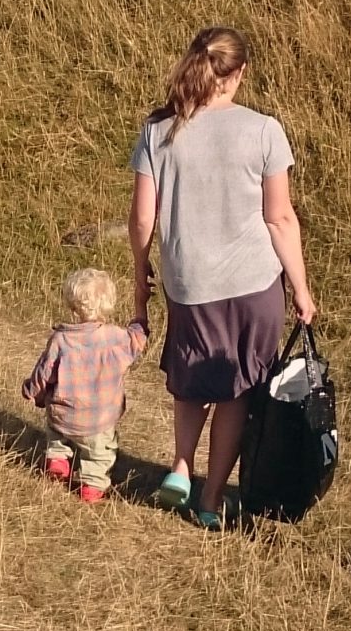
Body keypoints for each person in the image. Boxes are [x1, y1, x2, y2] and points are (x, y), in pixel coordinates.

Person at [128, 26, 318, 530]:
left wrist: (141, 271)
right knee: (237, 390)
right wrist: (301, 288)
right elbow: (280, 219)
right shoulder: (263, 131)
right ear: (239, 75)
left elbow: (143, 218)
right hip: (251, 284)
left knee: (191, 381)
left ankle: (180, 467)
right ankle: (211, 499)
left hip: (187, 283)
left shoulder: (158, 130)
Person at [22, 267, 149, 506]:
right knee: (99, 454)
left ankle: (58, 458)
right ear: (109, 303)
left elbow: (43, 374)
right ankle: (91, 486)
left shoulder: (61, 339)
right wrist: (140, 308)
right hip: (98, 421)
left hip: (64, 415)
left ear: (72, 306)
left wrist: (33, 392)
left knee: (56, 432)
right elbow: (139, 337)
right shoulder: (116, 337)